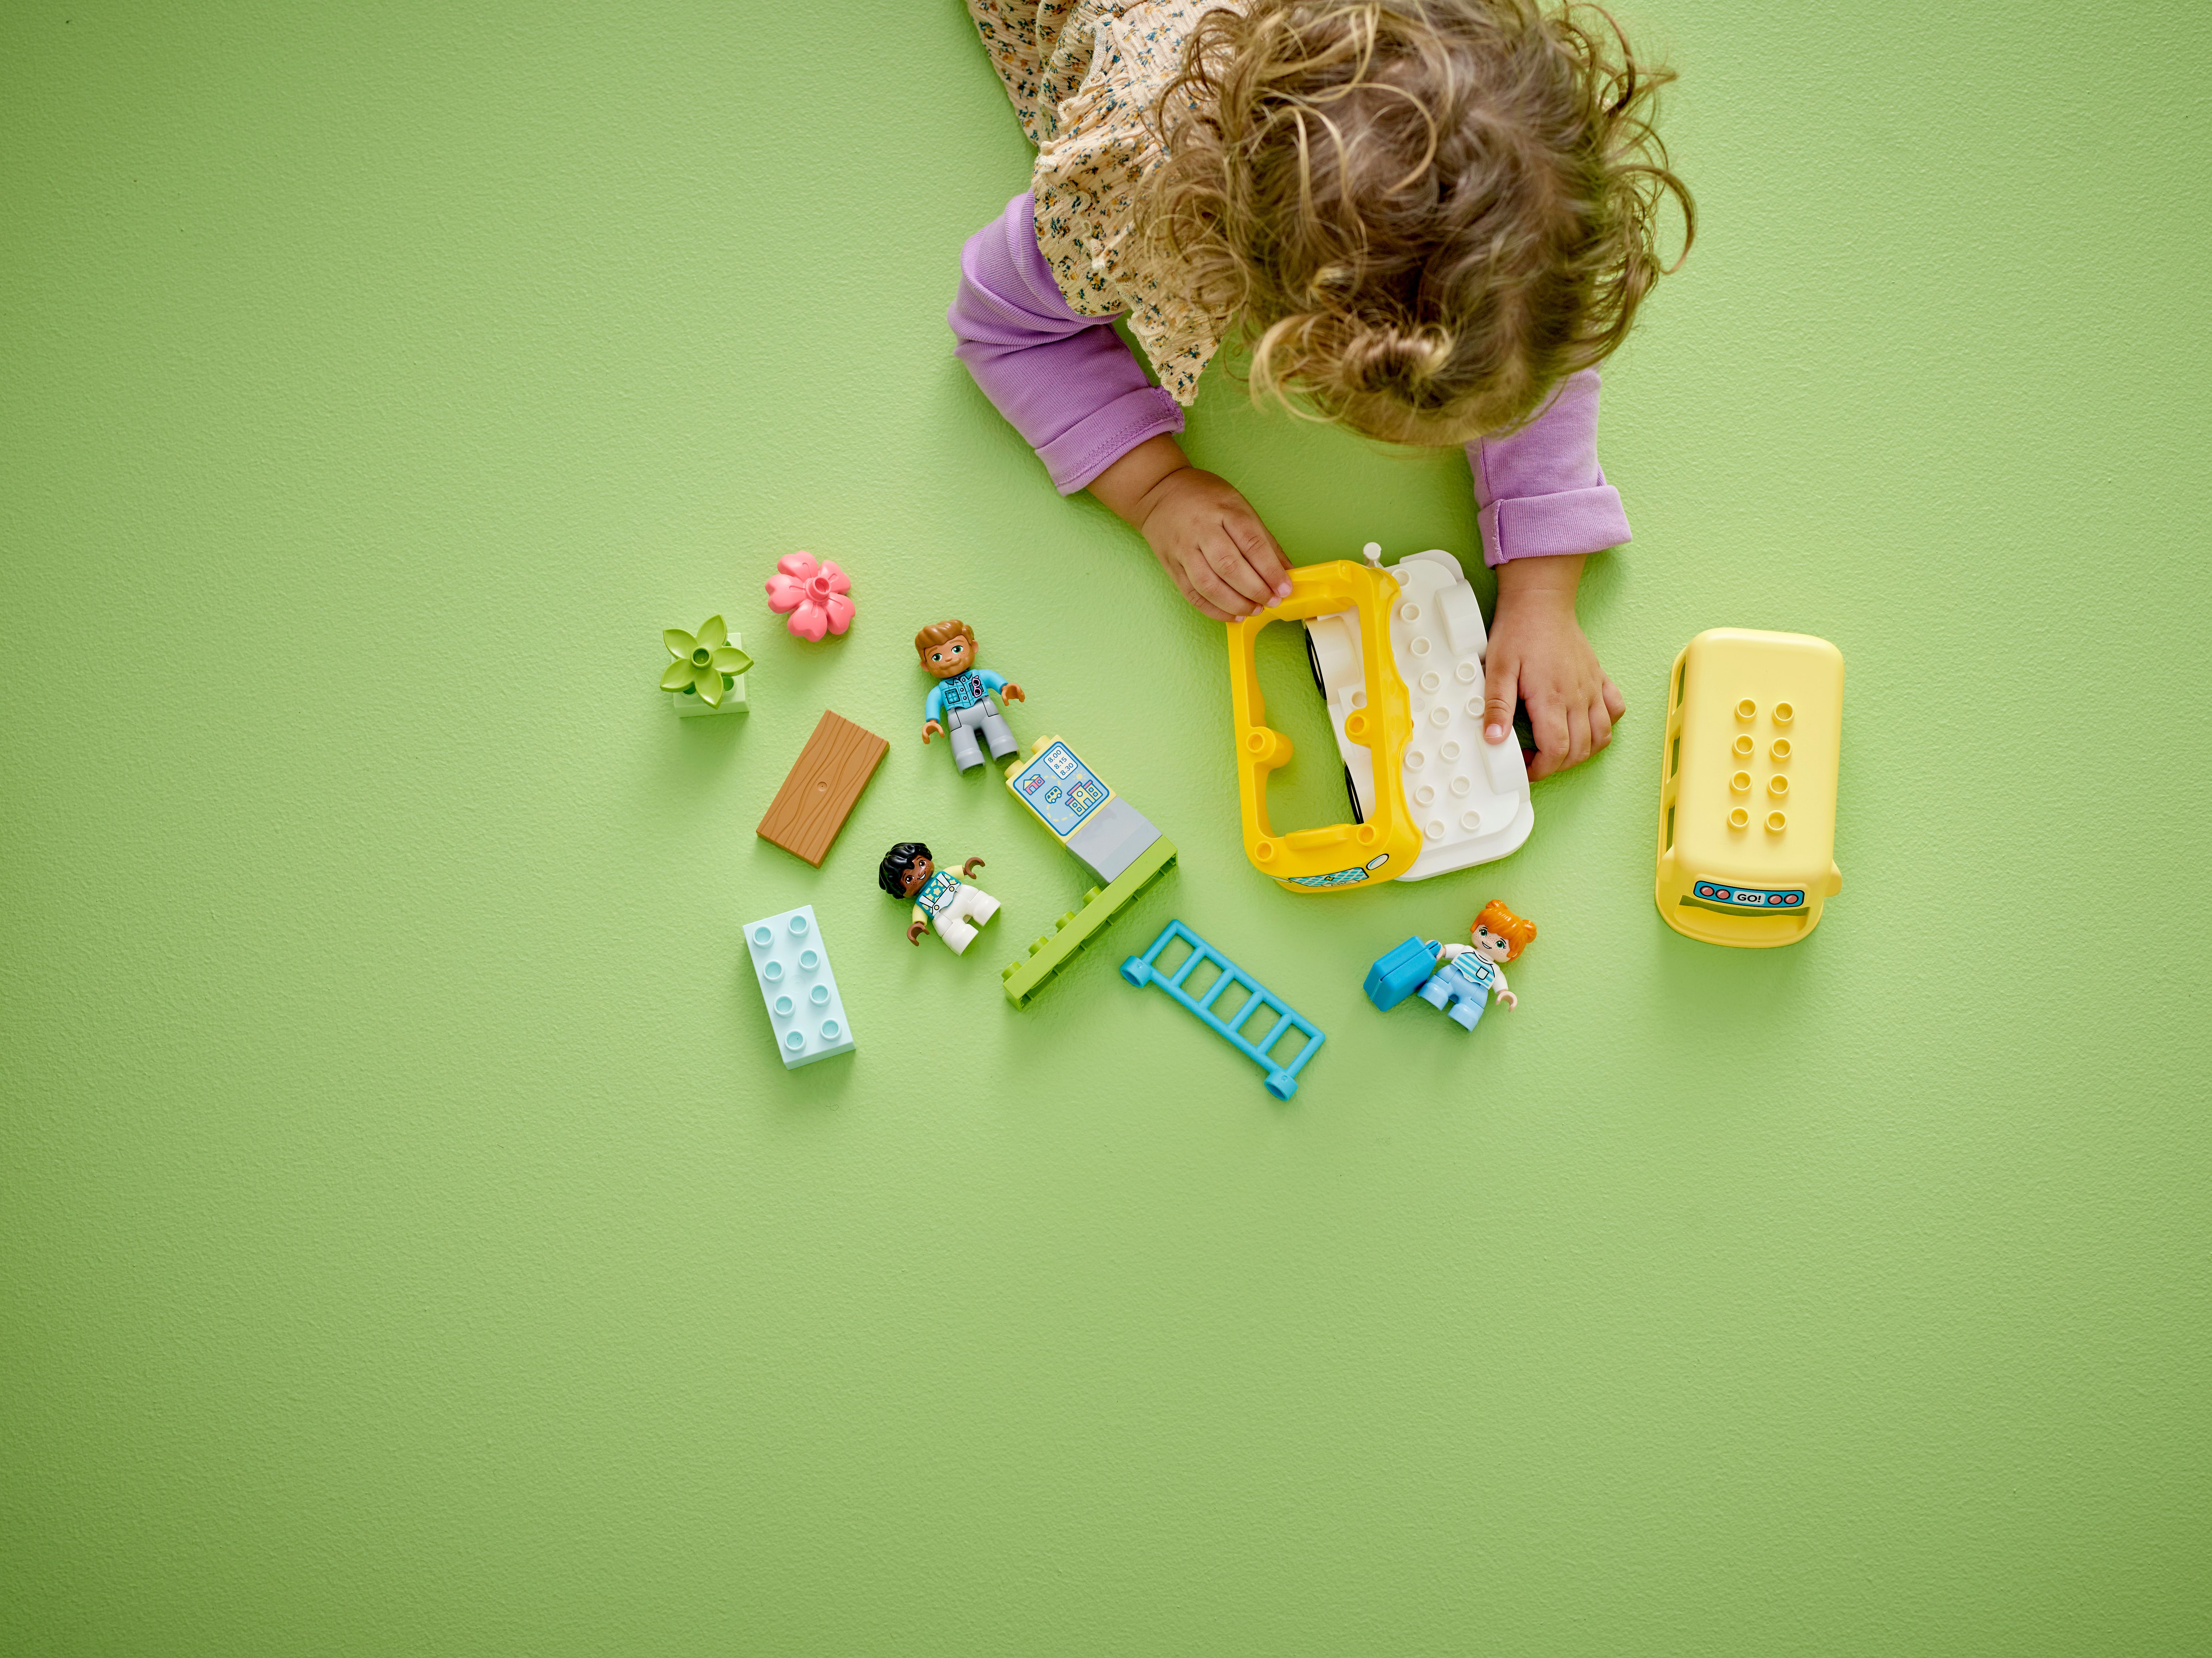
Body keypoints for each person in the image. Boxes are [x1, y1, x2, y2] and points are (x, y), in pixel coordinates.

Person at [951, 0, 1690, 780]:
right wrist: (1157, 491)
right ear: (1279, 336)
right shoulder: (1135, 194)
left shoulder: (1512, 142)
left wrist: (1543, 590)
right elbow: (999, 325)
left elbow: (1528, 322)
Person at [916, 619, 1028, 772]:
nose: (948, 658)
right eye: (937, 657)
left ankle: (1004, 746)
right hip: (959, 722)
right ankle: (968, 759)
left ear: (973, 647)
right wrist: (932, 721)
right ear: (926, 666)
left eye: (956, 649)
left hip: (987, 711)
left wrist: (1005, 688)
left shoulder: (981, 675)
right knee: (965, 749)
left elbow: (994, 680)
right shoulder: (939, 690)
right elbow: (933, 703)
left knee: (1001, 737)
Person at [1419, 897, 1535, 1029]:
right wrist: (1441, 950)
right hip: (1450, 977)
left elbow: (1499, 984)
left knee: (1469, 1011)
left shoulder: (1495, 970)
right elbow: (1448, 951)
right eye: (1484, 933)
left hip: (1475, 994)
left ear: (1513, 954)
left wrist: (1503, 993)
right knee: (1436, 991)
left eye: (1500, 944)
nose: (1490, 943)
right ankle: (1436, 993)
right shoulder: (1467, 951)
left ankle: (1467, 1013)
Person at [879, 842, 1003, 955]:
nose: (920, 873)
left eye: (921, 864)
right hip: (945, 918)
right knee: (951, 932)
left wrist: (967, 869)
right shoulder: (920, 904)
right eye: (908, 879)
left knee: (976, 899)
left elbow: (961, 871)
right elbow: (919, 918)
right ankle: (959, 937)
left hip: (962, 896)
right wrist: (918, 925)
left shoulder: (944, 875)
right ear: (901, 892)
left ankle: (984, 908)